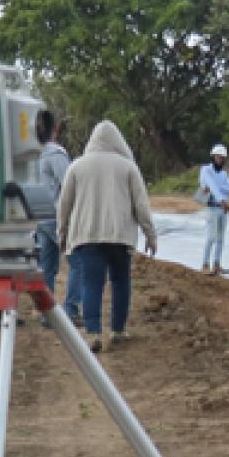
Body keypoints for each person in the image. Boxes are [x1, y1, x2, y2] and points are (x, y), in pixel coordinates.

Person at [57, 120, 158, 352]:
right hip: (120, 235)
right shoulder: (128, 167)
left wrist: (61, 233)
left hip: (87, 236)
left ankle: (93, 333)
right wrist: (150, 235)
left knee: (91, 283)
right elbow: (141, 206)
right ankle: (118, 330)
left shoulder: (76, 167)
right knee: (121, 281)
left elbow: (64, 205)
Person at [32, 110, 79, 326]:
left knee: (47, 267)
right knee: (77, 261)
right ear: (55, 128)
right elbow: (70, 184)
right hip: (55, 217)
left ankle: (47, 315)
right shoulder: (56, 154)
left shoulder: (30, 153)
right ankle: (70, 310)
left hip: (38, 216)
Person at [193, 143, 229, 275]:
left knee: (221, 238)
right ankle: (205, 264)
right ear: (213, 157)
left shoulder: (223, 173)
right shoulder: (205, 170)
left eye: (222, 158)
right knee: (211, 237)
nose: (220, 160)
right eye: (218, 157)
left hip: (222, 208)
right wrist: (221, 199)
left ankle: (216, 264)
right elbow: (211, 186)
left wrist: (217, 190)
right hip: (213, 207)